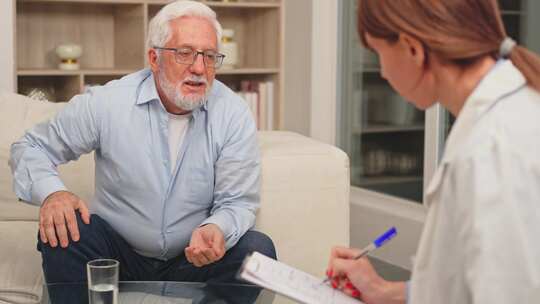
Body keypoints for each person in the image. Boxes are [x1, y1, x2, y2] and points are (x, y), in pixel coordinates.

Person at [9, 0, 276, 298]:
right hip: (116, 254)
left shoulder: (233, 113)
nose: (199, 68)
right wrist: (53, 193)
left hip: (193, 257)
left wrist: (217, 228)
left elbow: (238, 201)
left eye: (210, 56)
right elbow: (30, 147)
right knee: (66, 231)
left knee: (258, 252)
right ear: (154, 57)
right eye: (185, 53)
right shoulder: (108, 103)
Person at [326, 0, 540, 303]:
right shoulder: (497, 114)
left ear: (412, 48)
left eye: (378, 54)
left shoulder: (493, 148)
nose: (383, 73)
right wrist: (384, 292)